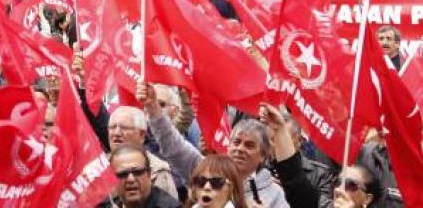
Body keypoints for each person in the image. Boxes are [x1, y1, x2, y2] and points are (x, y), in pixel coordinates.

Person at [138, 83, 288, 207]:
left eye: (249, 145)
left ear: (263, 155)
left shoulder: (274, 195)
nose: (240, 149)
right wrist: (153, 108)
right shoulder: (204, 168)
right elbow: (173, 145)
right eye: (236, 142)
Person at [108, 106, 177, 199]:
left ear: (142, 135)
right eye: (112, 127)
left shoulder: (158, 171)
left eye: (125, 128)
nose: (116, 133)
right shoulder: (97, 168)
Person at [100, 145, 181, 207]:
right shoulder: (111, 204)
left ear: (149, 174)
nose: (130, 179)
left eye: (137, 172)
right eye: (122, 174)